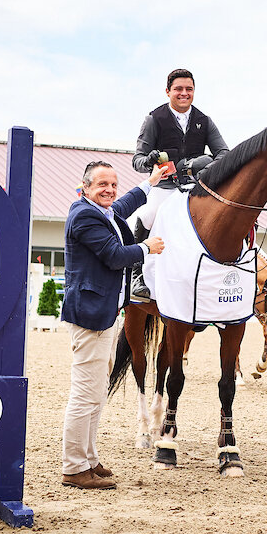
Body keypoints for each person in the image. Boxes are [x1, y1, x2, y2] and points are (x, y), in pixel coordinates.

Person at [60, 160, 165, 489]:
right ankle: (74, 467)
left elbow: (122, 204)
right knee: (85, 395)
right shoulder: (84, 215)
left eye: (113, 184)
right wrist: (147, 248)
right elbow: (115, 255)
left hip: (103, 313)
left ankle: (88, 459)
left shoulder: (101, 210)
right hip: (90, 315)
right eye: (101, 184)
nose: (109, 190)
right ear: (86, 187)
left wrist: (151, 183)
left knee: (95, 394)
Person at [130, 68, 229, 298]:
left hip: (195, 187)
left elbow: (224, 153)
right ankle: (137, 274)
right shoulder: (154, 119)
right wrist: (150, 160)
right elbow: (137, 160)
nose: (184, 93)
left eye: (189, 89)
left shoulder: (204, 121)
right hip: (164, 186)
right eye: (178, 89)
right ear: (168, 92)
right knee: (149, 213)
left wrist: (202, 165)